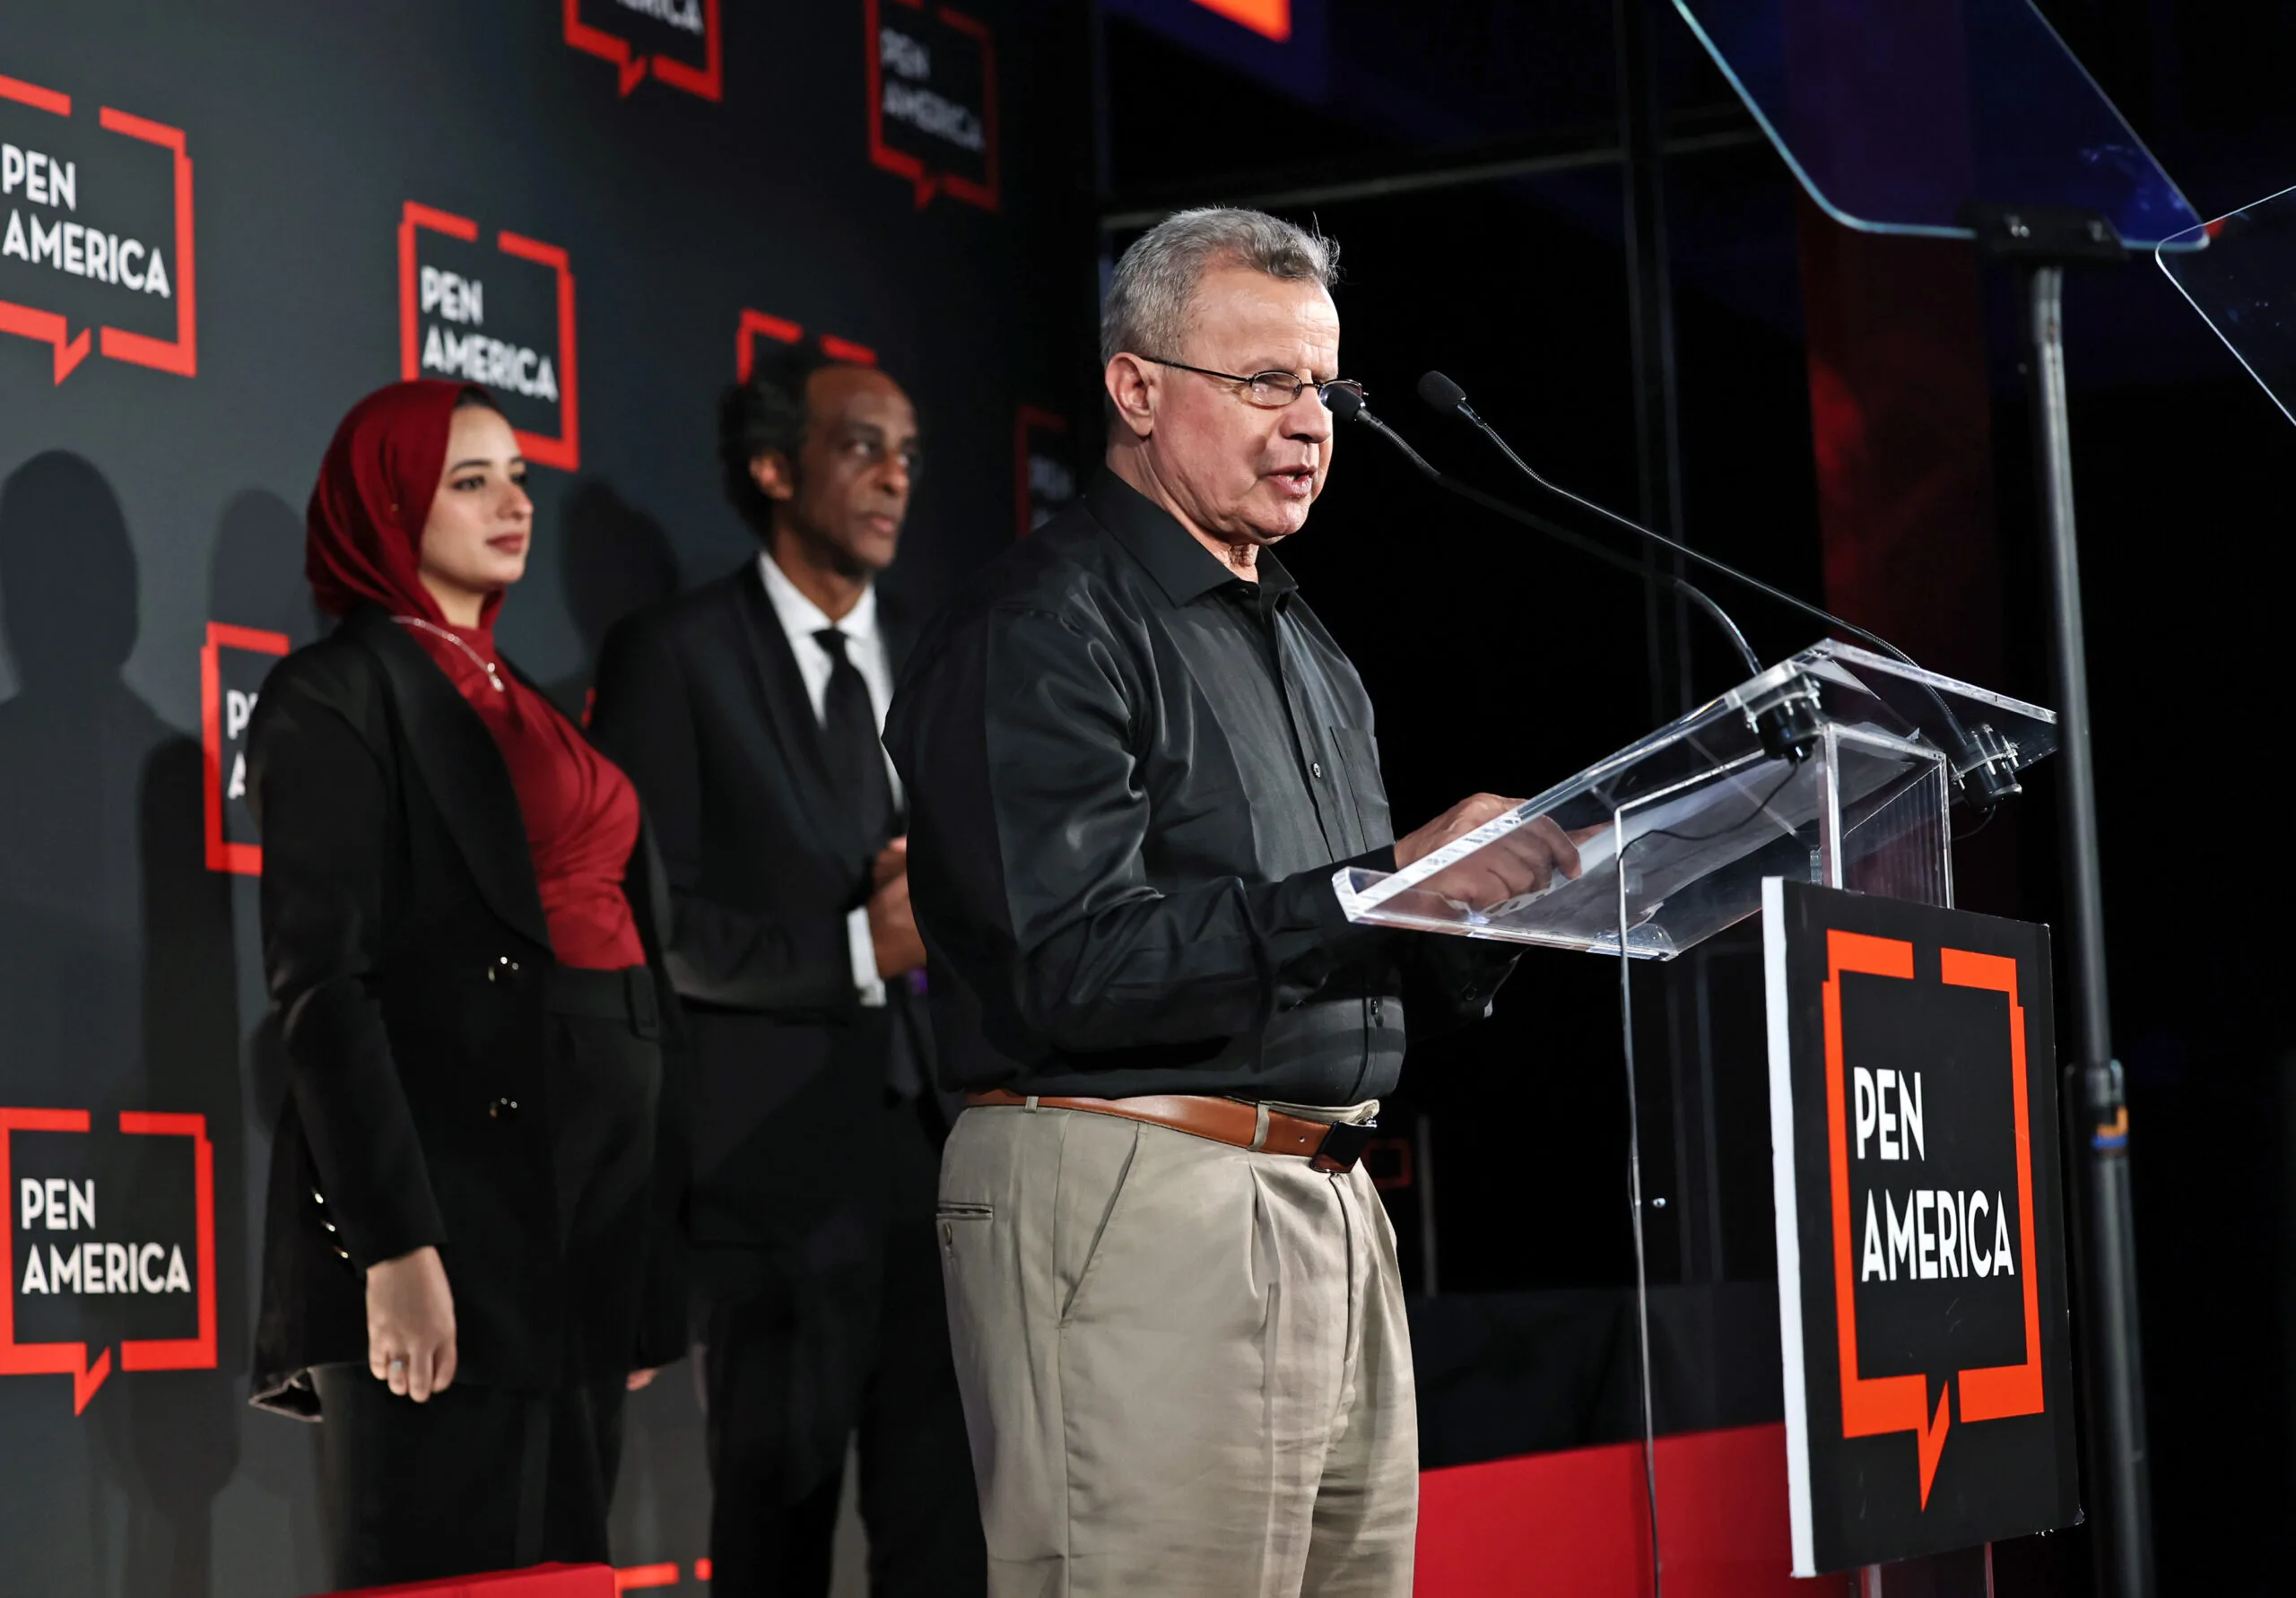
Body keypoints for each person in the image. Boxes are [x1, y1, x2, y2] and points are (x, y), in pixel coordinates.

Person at [883, 208, 1582, 1596]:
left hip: (1326, 1199)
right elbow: (1071, 966)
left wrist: (1479, 916)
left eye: (1327, 386)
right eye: (1264, 382)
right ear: (1135, 389)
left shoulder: (1308, 648)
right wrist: (1382, 888)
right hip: (1141, 1196)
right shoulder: (1040, 626)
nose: (1310, 421)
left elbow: (1333, 929)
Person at [247, 379, 688, 1589]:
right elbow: (324, 987)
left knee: (562, 1568)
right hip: (452, 1208)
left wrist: (636, 1259)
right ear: (385, 503)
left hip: (581, 1211)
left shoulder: (526, 698)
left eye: (522, 476)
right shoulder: (332, 696)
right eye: (470, 478)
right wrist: (396, 1245)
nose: (514, 502)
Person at [590, 345, 984, 1597]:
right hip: (768, 1180)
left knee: (947, 1533)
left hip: (944, 1166)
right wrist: (865, 946)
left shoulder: (938, 654)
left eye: (909, 453)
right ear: (774, 466)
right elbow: (658, 923)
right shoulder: (677, 653)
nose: (893, 477)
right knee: (778, 1537)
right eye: (861, 445)